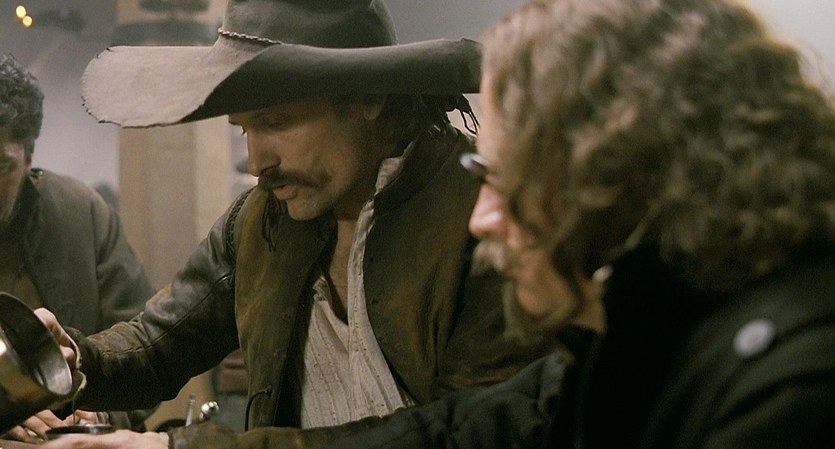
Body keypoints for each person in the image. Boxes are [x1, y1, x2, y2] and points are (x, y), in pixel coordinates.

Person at [34, 0, 546, 448]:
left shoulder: (485, 221)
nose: (258, 162)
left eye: (276, 122)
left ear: (368, 96)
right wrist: (72, 360)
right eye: (245, 129)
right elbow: (160, 345)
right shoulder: (261, 221)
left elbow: (471, 430)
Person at [0, 52, 156, 441]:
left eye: (1, 167)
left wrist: (99, 412)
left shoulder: (81, 213)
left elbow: (146, 346)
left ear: (27, 158)